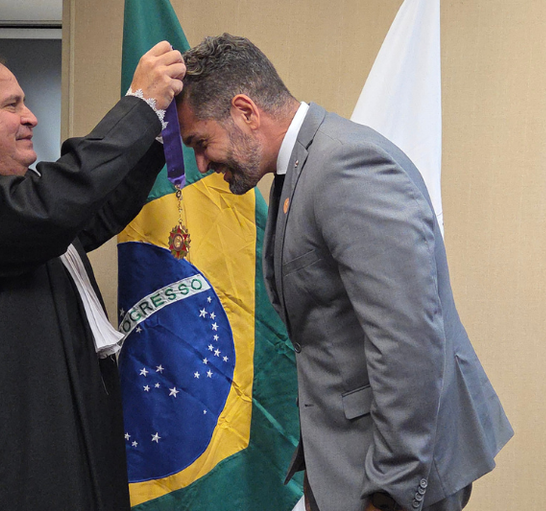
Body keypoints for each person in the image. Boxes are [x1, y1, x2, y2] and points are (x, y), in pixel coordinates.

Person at [176, 34, 513, 511]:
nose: (203, 164)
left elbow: (407, 341)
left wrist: (390, 493)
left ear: (245, 111)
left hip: (395, 472)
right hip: (350, 460)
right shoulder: (299, 171)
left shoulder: (344, 167)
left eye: (202, 143)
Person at [0, 42, 185, 511]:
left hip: (71, 442)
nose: (31, 117)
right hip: (7, 465)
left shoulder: (21, 207)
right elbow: (49, 210)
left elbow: (89, 211)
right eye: (12, 105)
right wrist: (138, 108)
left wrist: (155, 133)